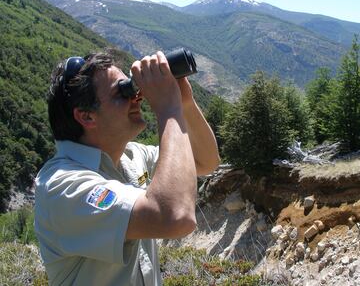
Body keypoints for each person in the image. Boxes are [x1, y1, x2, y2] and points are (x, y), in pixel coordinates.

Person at [34, 50, 220, 285]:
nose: (137, 97)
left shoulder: (130, 155)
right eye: (123, 92)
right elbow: (175, 217)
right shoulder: (62, 187)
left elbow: (204, 161)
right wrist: (168, 110)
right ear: (87, 117)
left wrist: (184, 102)